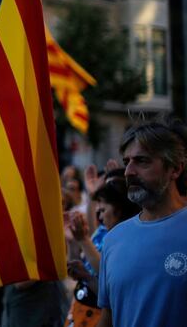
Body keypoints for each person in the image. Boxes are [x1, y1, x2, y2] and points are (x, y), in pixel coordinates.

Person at [97, 119, 187, 327]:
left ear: (175, 169)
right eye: (126, 161)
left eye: (142, 161)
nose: (128, 171)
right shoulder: (113, 239)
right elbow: (108, 318)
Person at [65, 179, 138, 327]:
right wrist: (73, 241)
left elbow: (109, 290)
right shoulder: (102, 233)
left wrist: (83, 241)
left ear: (119, 210)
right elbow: (77, 272)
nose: (100, 216)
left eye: (103, 210)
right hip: (79, 313)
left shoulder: (125, 241)